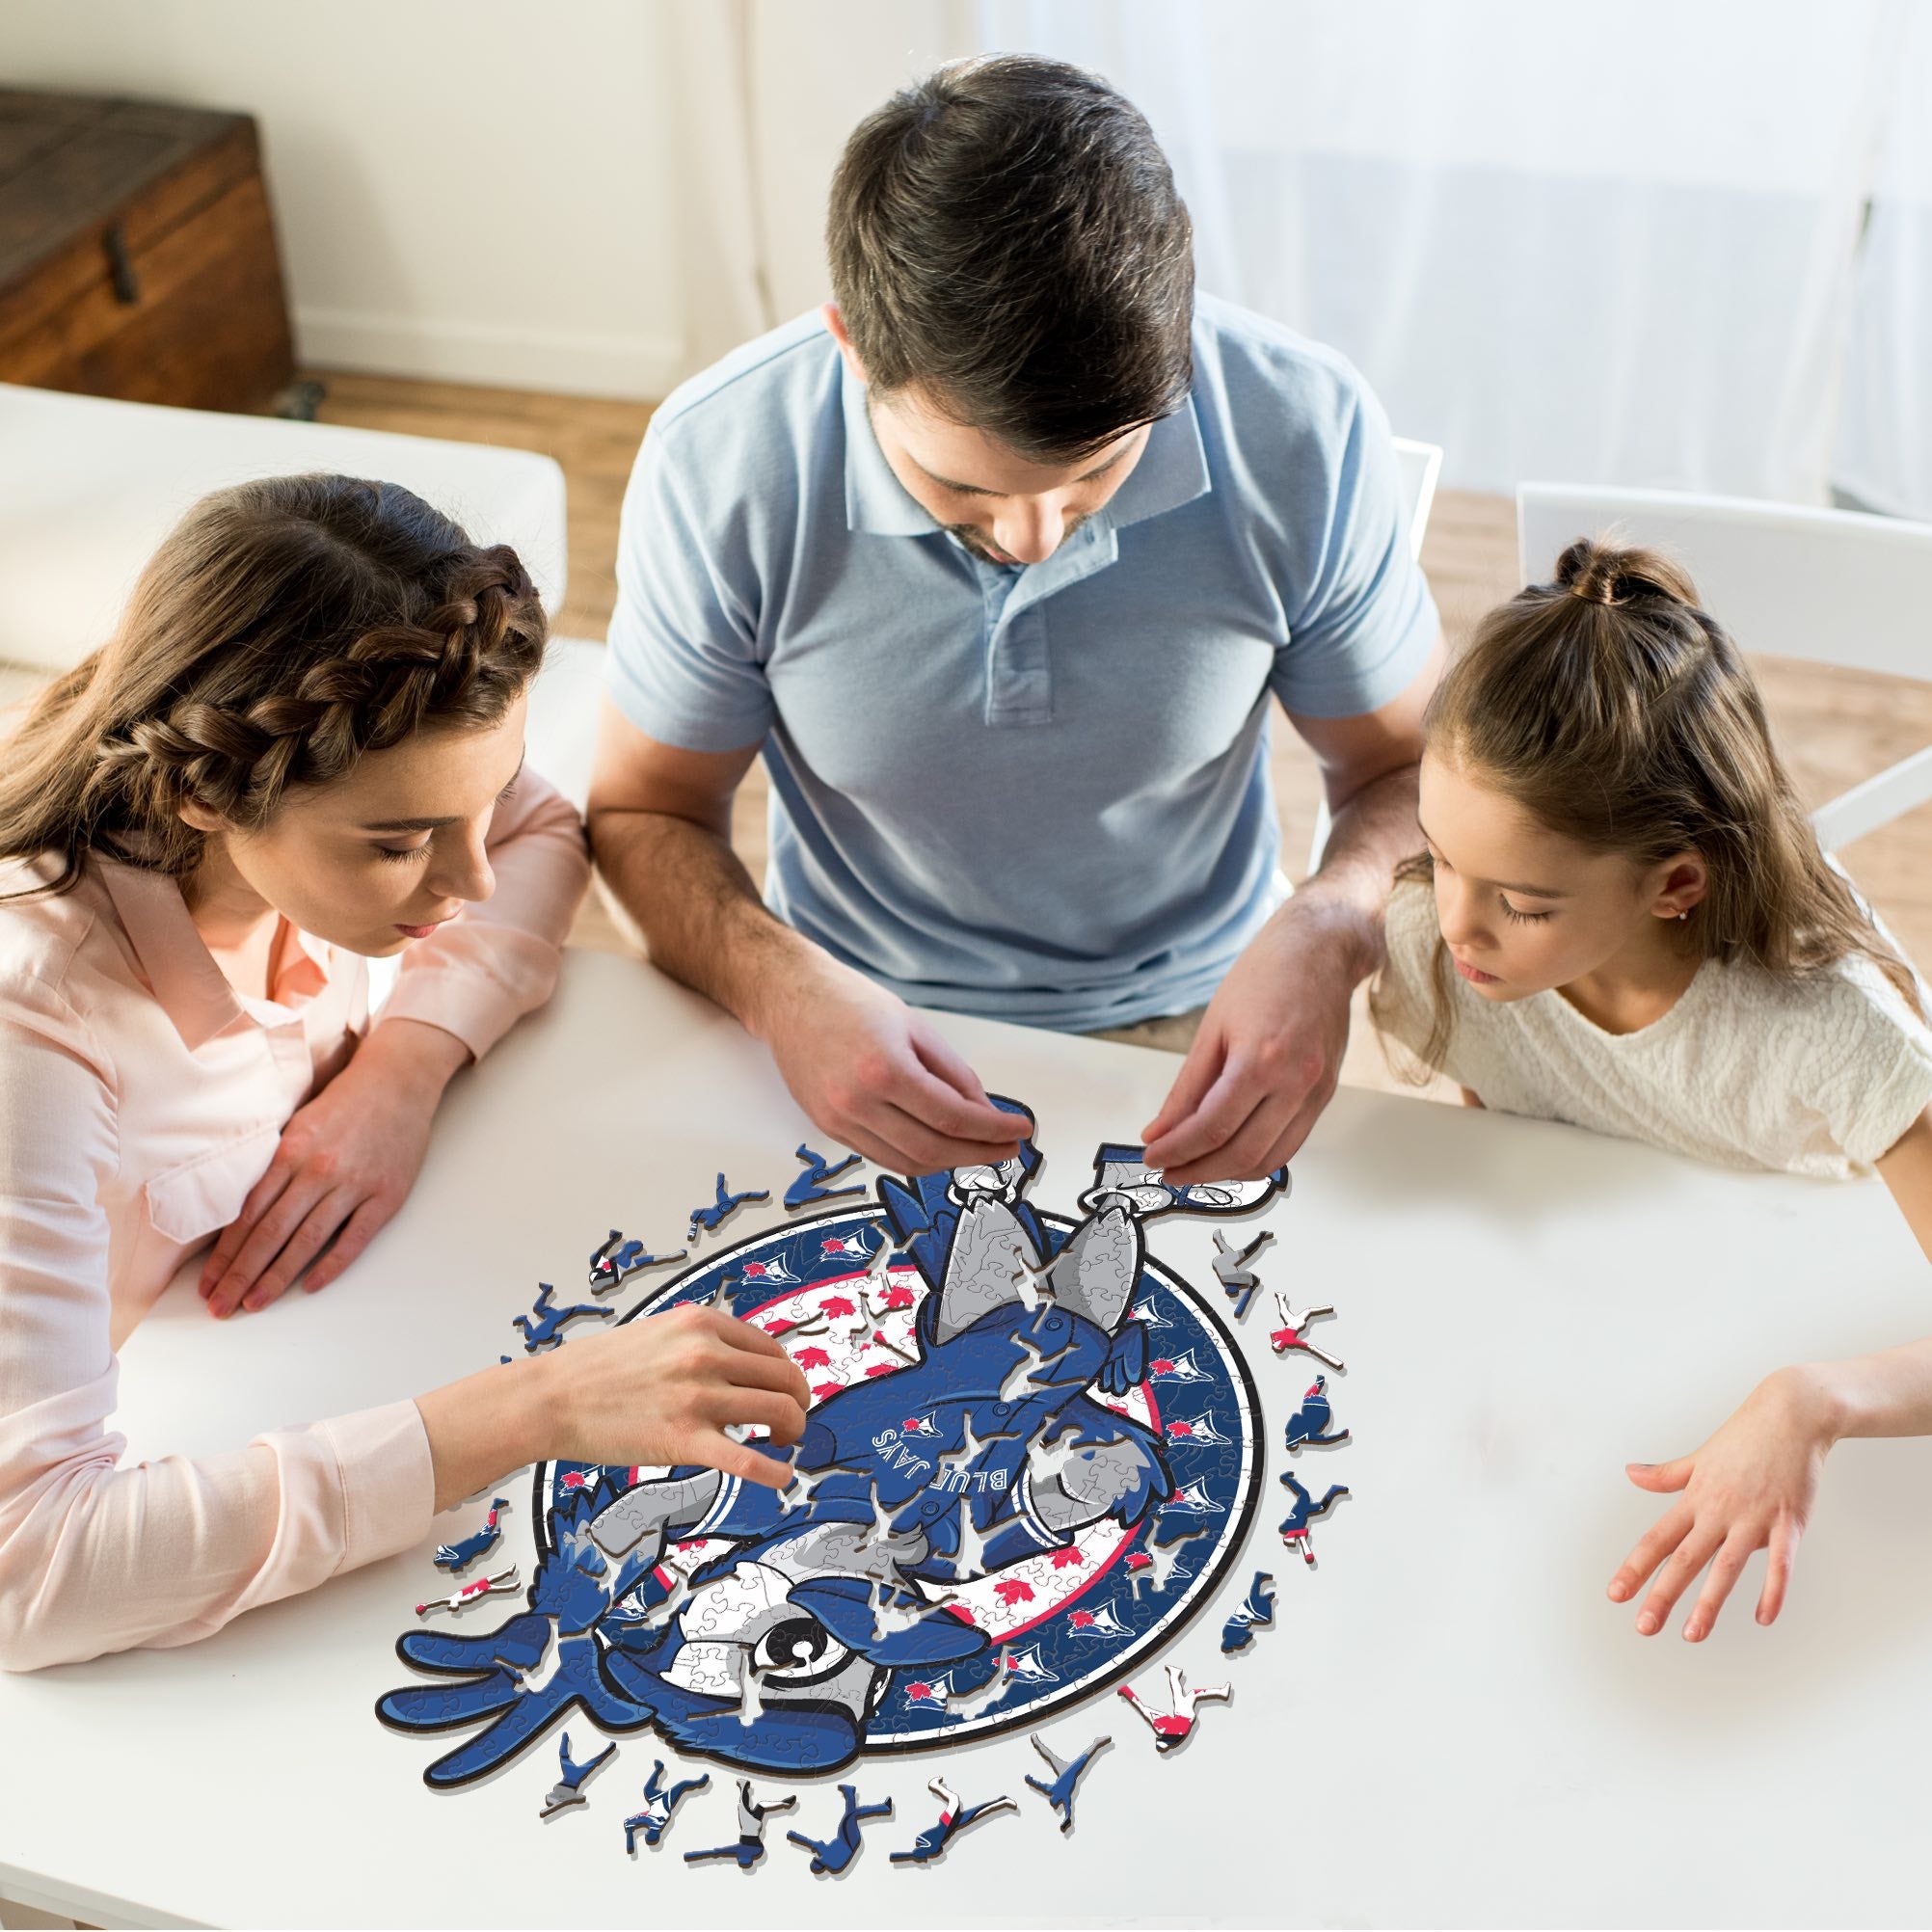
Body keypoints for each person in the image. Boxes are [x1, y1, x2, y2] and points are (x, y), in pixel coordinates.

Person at [588, 55, 1443, 1188]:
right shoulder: (721, 463)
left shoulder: (1302, 428)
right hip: (841, 1014)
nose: (1036, 537)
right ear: (853, 348)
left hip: (1206, 1010)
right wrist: (777, 987)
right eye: (966, 491)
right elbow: (647, 810)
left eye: (1095, 478)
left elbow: (1410, 771)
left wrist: (1333, 929)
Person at [0, 475, 808, 1672]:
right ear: (201, 793)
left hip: (282, 1343)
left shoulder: (337, 792)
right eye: (398, 844)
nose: (469, 883)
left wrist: (403, 1066)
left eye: (474, 803)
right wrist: (537, 1408)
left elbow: (539, 832)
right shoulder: (36, 1038)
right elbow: (34, 1573)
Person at [1370, 537, 1932, 1643]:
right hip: (1623, 1315)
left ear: (1676, 884)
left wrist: (1811, 1401)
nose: (1455, 927)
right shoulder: (1444, 952)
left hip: (1845, 1342)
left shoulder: (1833, 1032)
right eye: (1440, 858)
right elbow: (1521, 1127)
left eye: (1522, 904)